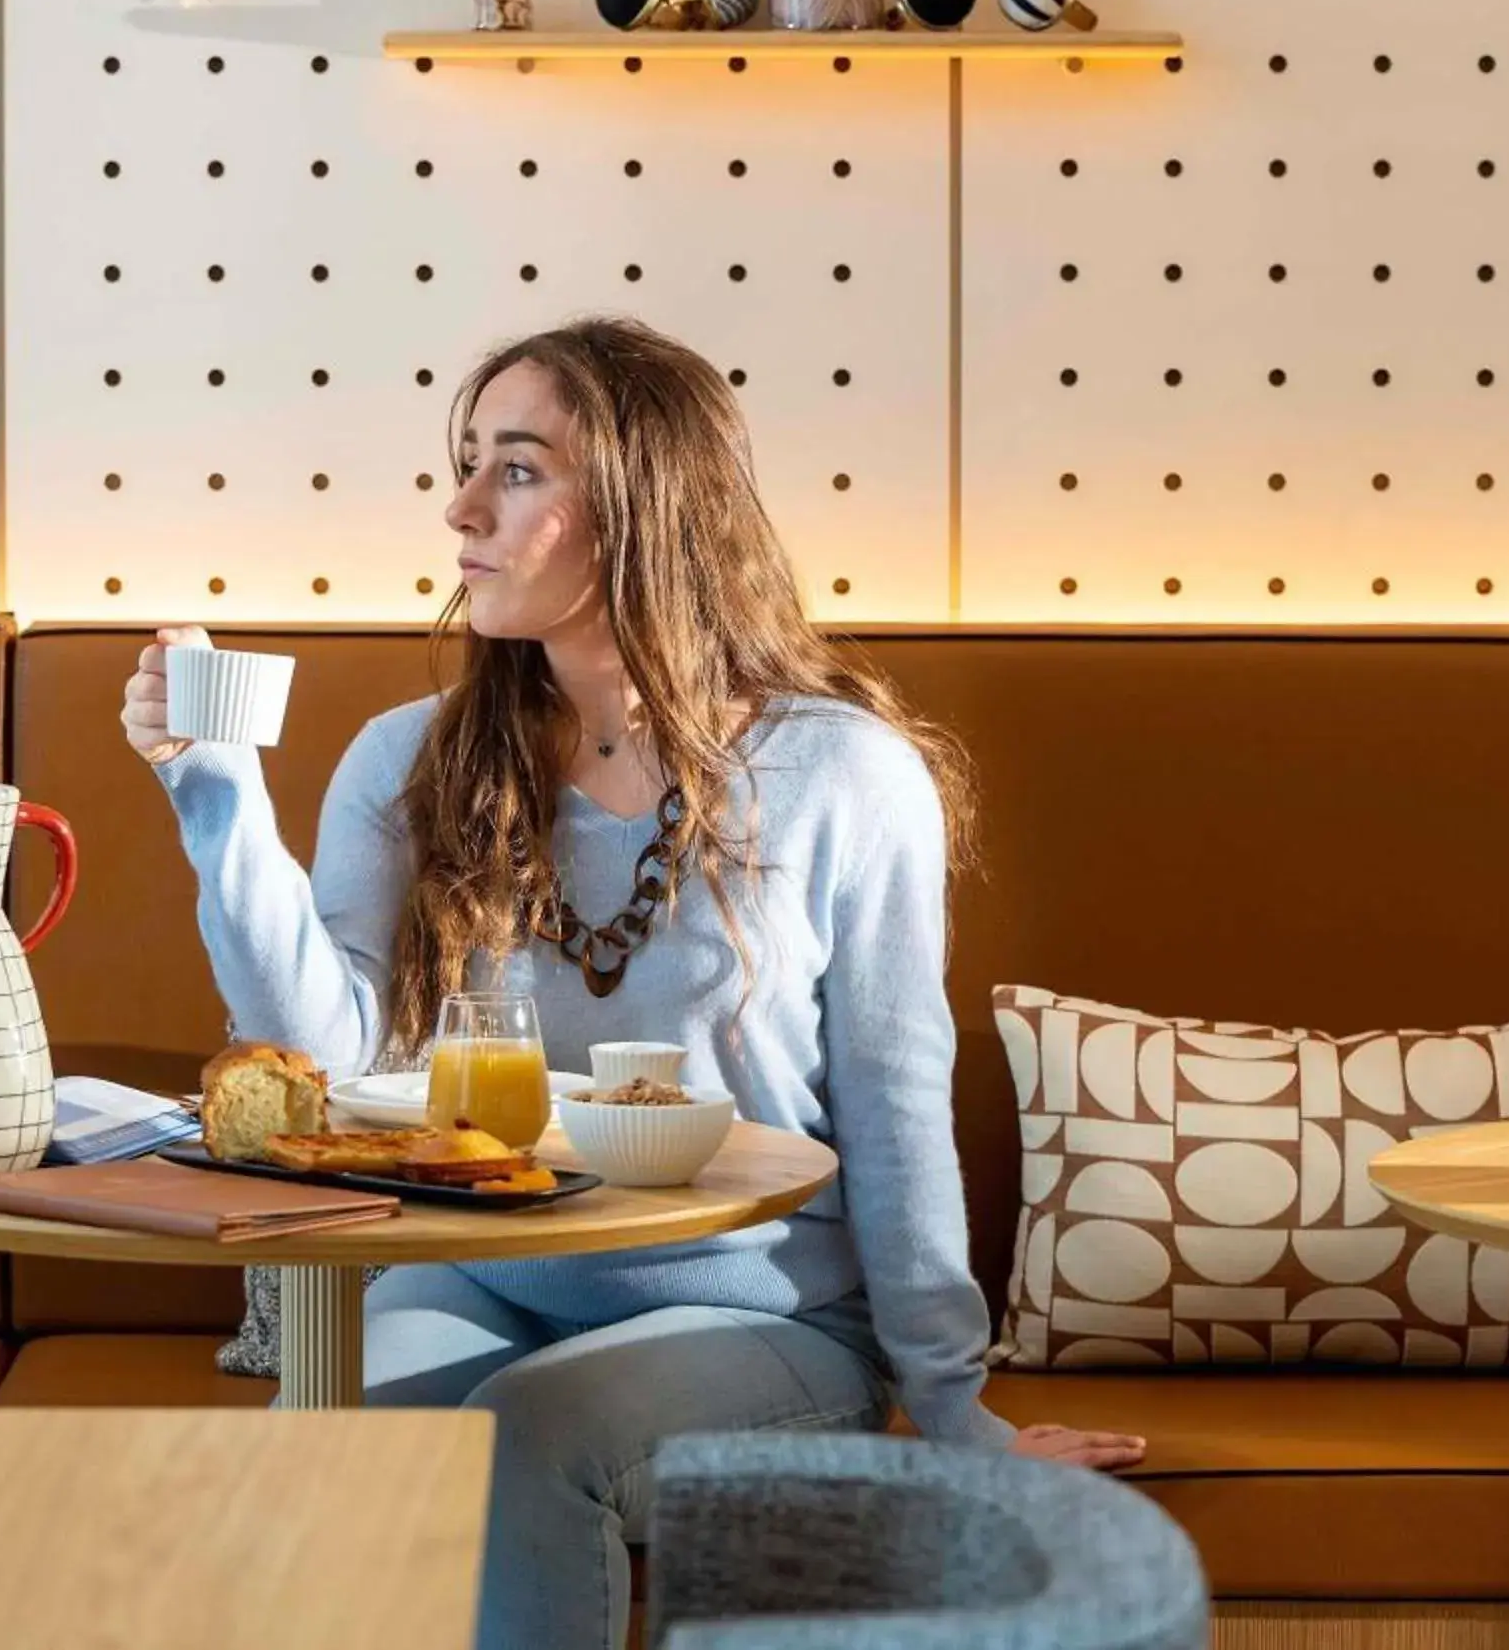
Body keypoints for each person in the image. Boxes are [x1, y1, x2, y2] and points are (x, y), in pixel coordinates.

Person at [118, 315, 1141, 1650]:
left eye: (520, 468)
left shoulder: (842, 773)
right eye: (469, 459)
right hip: (480, 1274)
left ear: (647, 504)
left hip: (762, 1312)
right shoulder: (405, 757)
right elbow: (321, 1049)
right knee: (327, 1444)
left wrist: (955, 1407)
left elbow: (895, 1109)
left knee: (525, 1440)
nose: (461, 504)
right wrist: (215, 795)